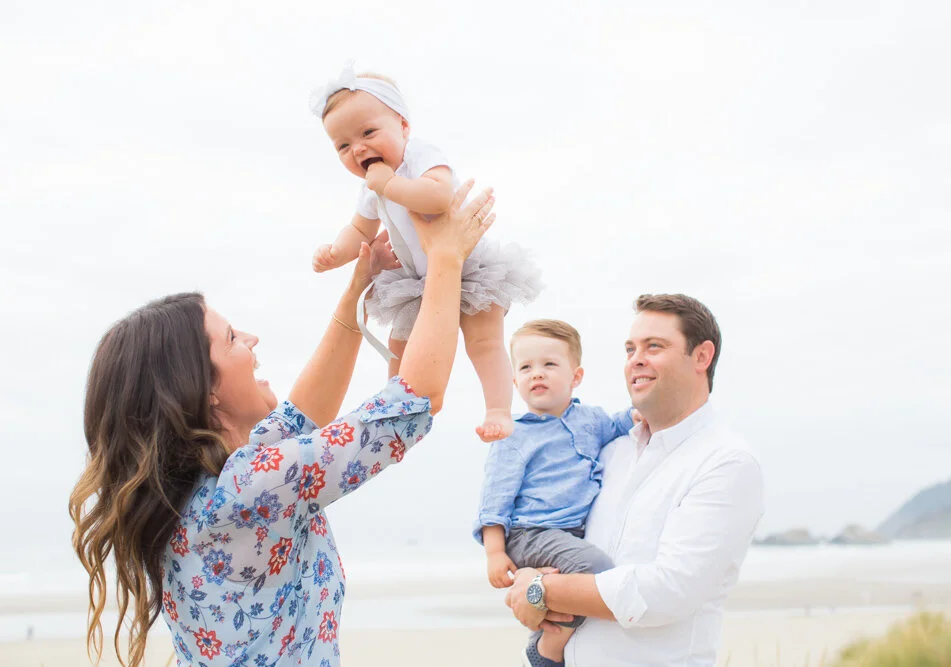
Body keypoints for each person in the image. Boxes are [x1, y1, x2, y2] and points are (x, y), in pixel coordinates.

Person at [68, 182, 495, 667]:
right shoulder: (245, 489)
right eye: (231, 338)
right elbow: (412, 402)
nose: (251, 339)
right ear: (202, 391)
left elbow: (302, 417)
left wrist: (358, 287)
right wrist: (446, 258)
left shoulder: (210, 487)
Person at [505, 294, 764, 667]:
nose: (636, 359)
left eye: (654, 346)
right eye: (630, 349)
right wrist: (529, 577)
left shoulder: (727, 462)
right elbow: (557, 536)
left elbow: (666, 592)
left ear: (702, 357)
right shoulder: (609, 453)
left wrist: (540, 590)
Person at [308, 62, 542, 442]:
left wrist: (390, 183)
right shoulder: (370, 187)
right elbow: (359, 229)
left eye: (368, 132)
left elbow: (437, 197)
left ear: (403, 126)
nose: (359, 148)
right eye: (344, 146)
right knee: (402, 346)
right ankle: (395, 408)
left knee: (483, 342)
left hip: (469, 266)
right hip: (420, 279)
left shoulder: (419, 155)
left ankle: (498, 408)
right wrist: (336, 253)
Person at [475, 319, 638, 666]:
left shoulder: (591, 421)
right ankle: (548, 647)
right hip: (530, 533)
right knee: (598, 570)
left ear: (575, 376)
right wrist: (494, 553)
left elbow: (621, 422)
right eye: (526, 367)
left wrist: (643, 411)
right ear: (515, 380)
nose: (537, 374)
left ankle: (549, 634)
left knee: (579, 581)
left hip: (568, 534)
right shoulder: (514, 435)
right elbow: (495, 498)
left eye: (549, 364)